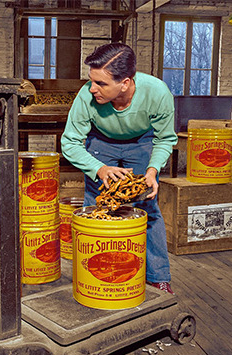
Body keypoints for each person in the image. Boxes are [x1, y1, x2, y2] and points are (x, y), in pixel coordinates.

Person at [60, 43, 177, 294]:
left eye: (100, 83)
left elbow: (165, 138)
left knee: (147, 207)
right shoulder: (86, 96)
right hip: (101, 143)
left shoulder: (157, 93)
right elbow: (69, 142)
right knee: (98, 206)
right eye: (91, 81)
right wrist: (99, 169)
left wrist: (153, 170)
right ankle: (98, 274)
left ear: (124, 83)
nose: (92, 89)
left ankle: (158, 276)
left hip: (141, 143)